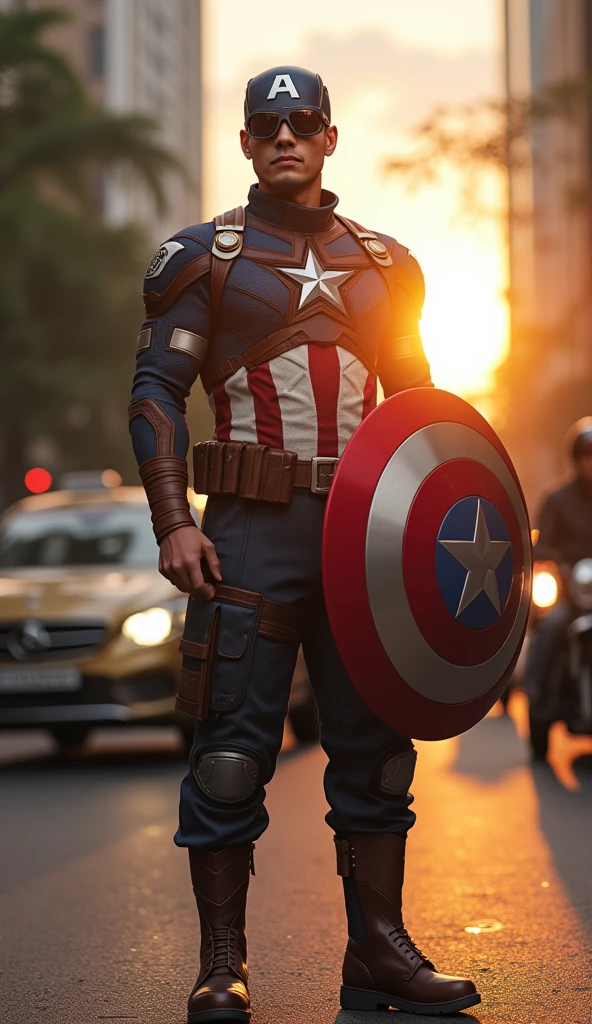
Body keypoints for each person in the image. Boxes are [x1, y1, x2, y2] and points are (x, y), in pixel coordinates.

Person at [129, 66, 480, 1021]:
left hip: (366, 543)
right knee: (230, 757)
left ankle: (378, 953)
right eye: (267, 124)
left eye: (304, 122)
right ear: (246, 143)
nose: (286, 136)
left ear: (330, 139)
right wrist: (174, 520)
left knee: (374, 755)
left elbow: (419, 415)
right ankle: (222, 966)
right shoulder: (204, 258)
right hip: (246, 532)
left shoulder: (388, 264)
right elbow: (156, 392)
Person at [525, 418, 592, 720]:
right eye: (586, 456)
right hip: (569, 594)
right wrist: (557, 561)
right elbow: (539, 544)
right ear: (576, 459)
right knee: (550, 627)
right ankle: (537, 694)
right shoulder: (557, 499)